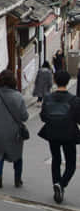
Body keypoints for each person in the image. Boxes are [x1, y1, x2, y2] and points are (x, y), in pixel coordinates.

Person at [39, 70, 80, 204]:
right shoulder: (74, 100)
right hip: (69, 134)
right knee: (71, 164)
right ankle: (61, 184)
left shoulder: (48, 98)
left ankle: (56, 184)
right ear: (68, 82)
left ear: (55, 81)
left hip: (52, 133)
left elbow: (43, 116)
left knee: (56, 159)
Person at [0, 70, 29, 189]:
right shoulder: (18, 96)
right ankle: (17, 179)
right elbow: (24, 116)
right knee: (17, 155)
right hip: (14, 132)